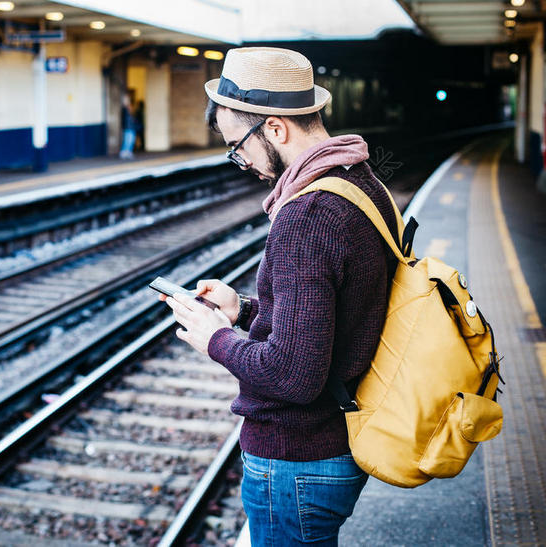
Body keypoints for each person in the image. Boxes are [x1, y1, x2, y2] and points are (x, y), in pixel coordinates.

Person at [160, 47, 399, 546]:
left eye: (237, 145)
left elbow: (293, 374)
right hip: (333, 443)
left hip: (297, 457)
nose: (239, 161)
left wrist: (216, 338)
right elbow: (338, 314)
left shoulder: (306, 215)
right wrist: (244, 309)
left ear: (274, 128)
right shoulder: (361, 183)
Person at [119, 94, 136, 159]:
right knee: (127, 140)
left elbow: (131, 117)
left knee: (131, 140)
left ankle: (128, 152)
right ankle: (124, 152)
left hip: (131, 126)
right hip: (127, 127)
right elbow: (124, 119)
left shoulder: (129, 108)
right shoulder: (124, 109)